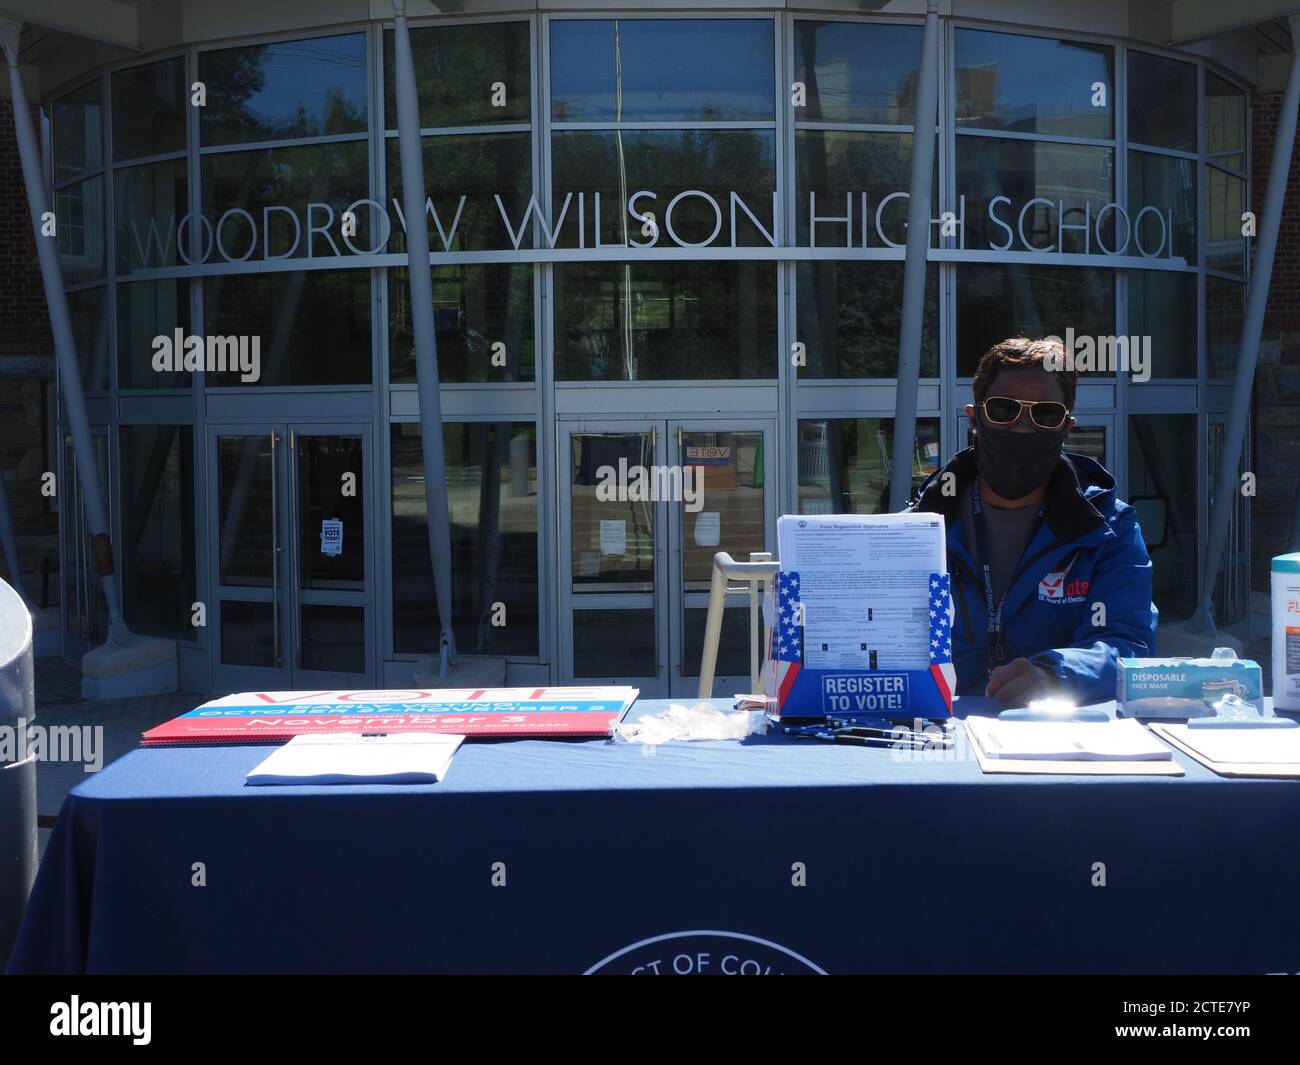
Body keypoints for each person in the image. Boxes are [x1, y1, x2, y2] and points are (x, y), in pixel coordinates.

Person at [908, 336, 1157, 706]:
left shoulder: (1108, 529)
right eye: (1004, 410)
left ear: (1066, 425)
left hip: (1051, 738)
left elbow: (1129, 643)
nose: (1023, 428)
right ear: (974, 418)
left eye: (1045, 414)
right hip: (937, 736)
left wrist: (1056, 673)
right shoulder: (912, 531)